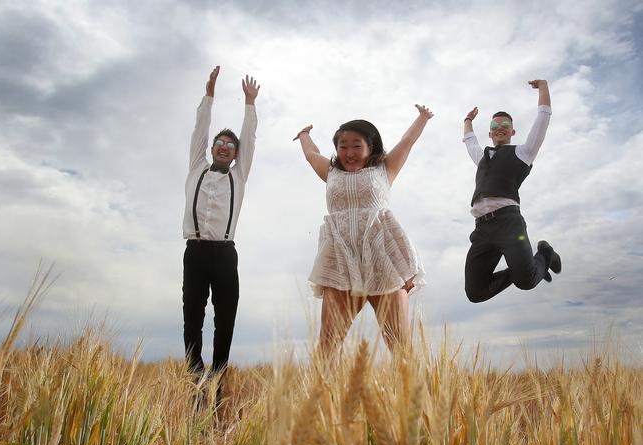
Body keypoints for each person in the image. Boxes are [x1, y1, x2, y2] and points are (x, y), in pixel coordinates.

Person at [294, 105, 433, 357]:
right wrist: (304, 134)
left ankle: (413, 397)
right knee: (326, 347)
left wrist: (422, 117)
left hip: (383, 259)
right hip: (341, 260)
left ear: (370, 147)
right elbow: (311, 154)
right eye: (342, 146)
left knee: (401, 348)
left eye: (356, 145)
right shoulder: (331, 172)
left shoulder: (385, 169)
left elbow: (407, 140)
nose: (349, 152)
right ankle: (326, 397)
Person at [182, 66, 260, 393]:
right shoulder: (196, 167)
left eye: (230, 144)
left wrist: (250, 103)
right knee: (193, 316)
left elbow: (250, 137)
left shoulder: (238, 176)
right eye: (219, 142)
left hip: (225, 254)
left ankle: (219, 376)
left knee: (224, 318)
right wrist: (209, 95)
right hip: (196, 252)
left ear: (236, 154)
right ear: (212, 147)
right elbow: (200, 128)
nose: (224, 146)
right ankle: (194, 375)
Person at [462, 79, 561, 303]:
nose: (499, 129)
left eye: (505, 126)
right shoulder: (482, 158)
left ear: (512, 131)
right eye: (495, 127)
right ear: (489, 133)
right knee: (475, 292)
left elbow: (542, 119)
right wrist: (468, 120)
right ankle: (526, 268)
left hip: (509, 223)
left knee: (525, 282)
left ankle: (545, 254)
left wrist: (543, 87)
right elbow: (469, 141)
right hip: (482, 229)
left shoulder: (523, 153)